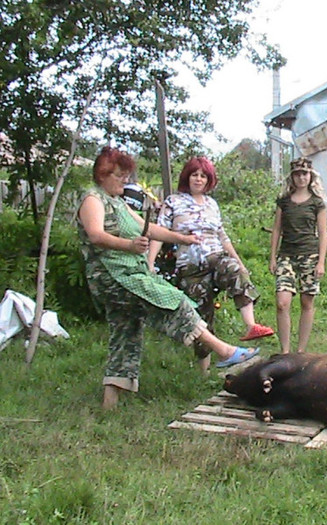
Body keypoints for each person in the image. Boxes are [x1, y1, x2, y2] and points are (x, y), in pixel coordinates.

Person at [78, 146, 259, 410]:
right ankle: (225, 352)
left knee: (125, 332)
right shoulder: (93, 199)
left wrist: (182, 238)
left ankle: (109, 404)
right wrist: (128, 246)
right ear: (103, 174)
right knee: (174, 301)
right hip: (114, 276)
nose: (125, 180)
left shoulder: (117, 202)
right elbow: (95, 235)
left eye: (126, 175)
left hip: (128, 273)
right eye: (120, 175)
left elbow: (149, 229)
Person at [147, 157, 274, 371]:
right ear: (187, 177)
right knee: (202, 315)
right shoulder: (173, 202)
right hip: (189, 265)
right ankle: (203, 373)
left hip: (214, 256)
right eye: (195, 174)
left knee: (233, 269)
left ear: (209, 180)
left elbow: (223, 237)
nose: (198, 179)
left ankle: (251, 325)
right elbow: (159, 232)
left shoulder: (211, 204)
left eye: (203, 175)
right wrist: (150, 263)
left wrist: (240, 262)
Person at [269, 157, 327, 353]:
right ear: (292, 177)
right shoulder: (284, 202)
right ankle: (285, 351)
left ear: (310, 176)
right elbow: (276, 230)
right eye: (297, 174)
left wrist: (321, 262)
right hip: (286, 255)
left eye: (305, 173)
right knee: (282, 302)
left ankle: (300, 351)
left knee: (306, 302)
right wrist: (272, 257)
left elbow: (323, 234)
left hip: (309, 256)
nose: (301, 177)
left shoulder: (317, 203)